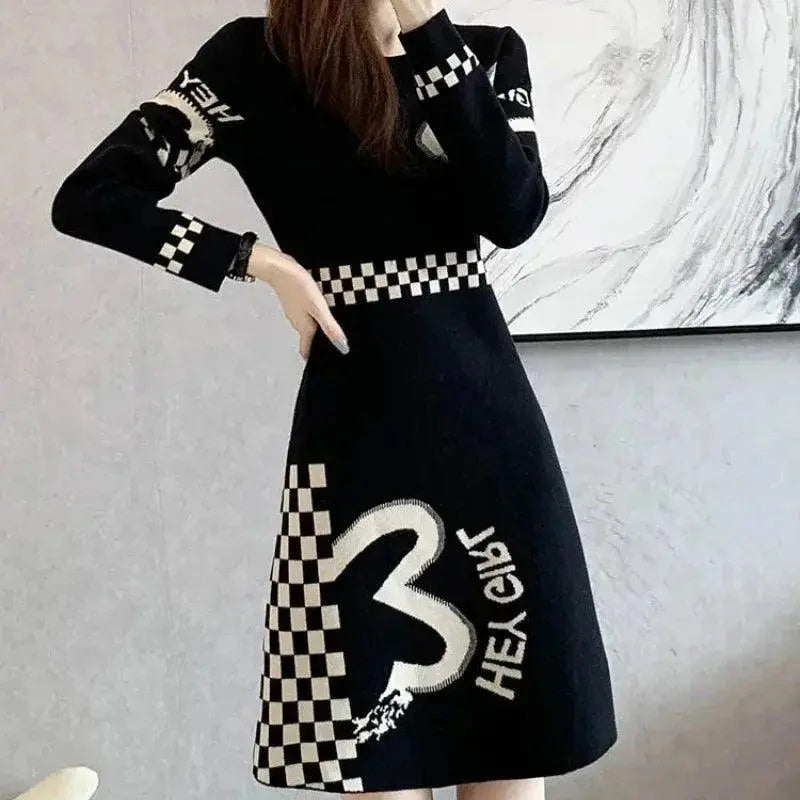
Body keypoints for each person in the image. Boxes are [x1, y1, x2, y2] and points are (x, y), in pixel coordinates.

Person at [50, 1, 618, 798]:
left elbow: (514, 212)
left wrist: (427, 31)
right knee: (373, 741)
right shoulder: (254, 58)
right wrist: (255, 262)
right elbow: (89, 197)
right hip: (359, 425)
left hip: (493, 428)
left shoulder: (482, 53)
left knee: (514, 728)